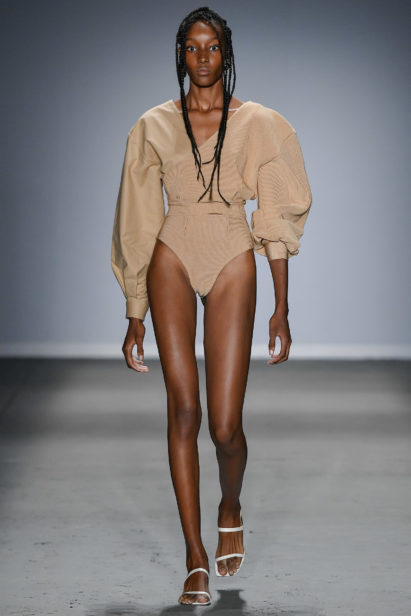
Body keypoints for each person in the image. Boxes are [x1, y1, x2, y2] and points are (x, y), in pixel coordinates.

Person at [111, 5, 312, 607]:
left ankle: (230, 505)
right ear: (180, 55)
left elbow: (274, 213)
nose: (203, 57)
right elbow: (137, 217)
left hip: (231, 250)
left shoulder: (261, 124)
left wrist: (282, 306)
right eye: (193, 47)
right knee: (183, 411)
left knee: (225, 426)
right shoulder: (152, 125)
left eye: (213, 47)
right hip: (172, 250)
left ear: (227, 54)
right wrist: (135, 310)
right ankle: (194, 558)